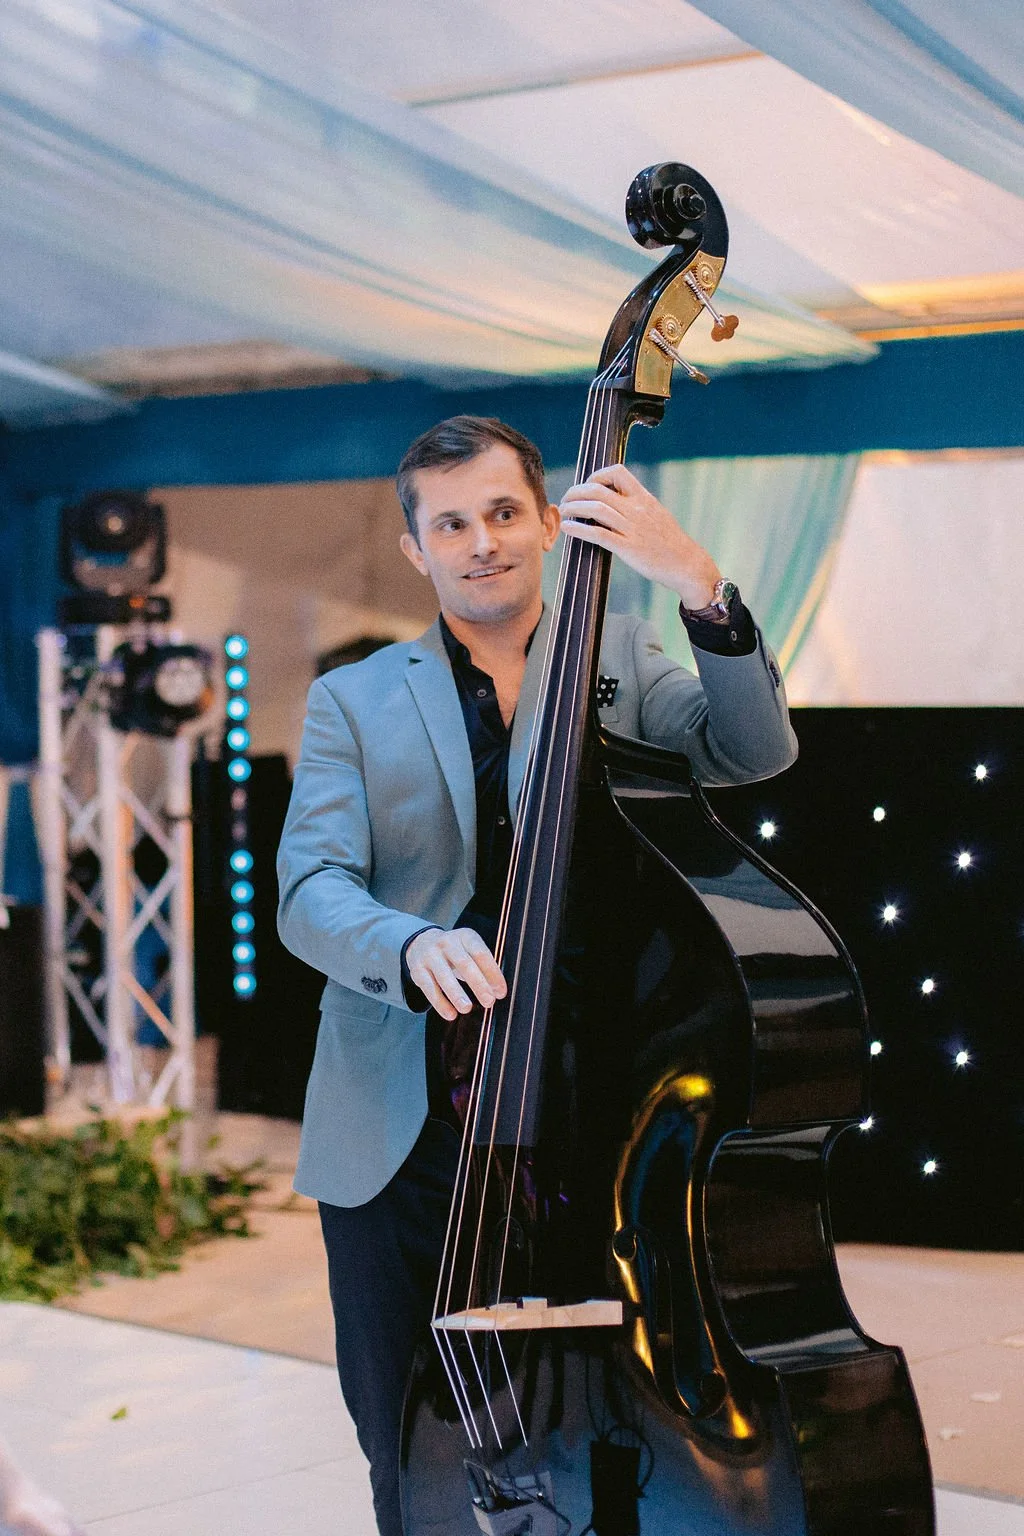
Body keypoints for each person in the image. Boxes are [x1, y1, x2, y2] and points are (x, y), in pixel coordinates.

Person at [277, 415, 797, 1536]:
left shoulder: (617, 658)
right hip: (402, 1117)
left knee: (599, 1408)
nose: (482, 542)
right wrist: (407, 945)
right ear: (415, 548)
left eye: (505, 512)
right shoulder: (354, 701)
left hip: (585, 1105)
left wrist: (701, 584)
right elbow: (309, 892)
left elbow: (754, 752)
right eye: (450, 522)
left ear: (550, 523)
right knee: (404, 1418)